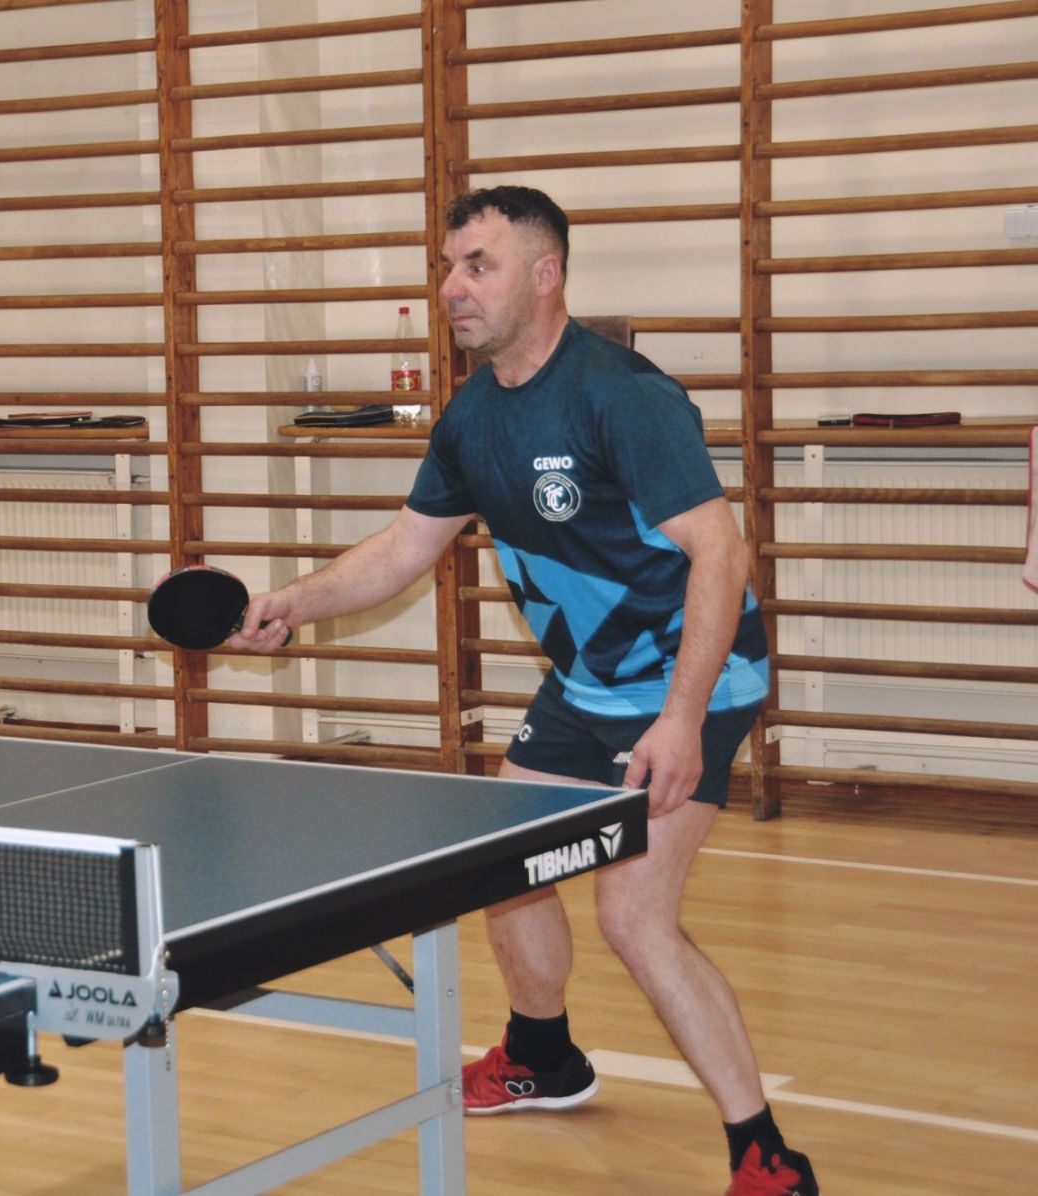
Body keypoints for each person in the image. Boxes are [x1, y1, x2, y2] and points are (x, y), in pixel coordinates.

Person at [227, 185, 819, 1196]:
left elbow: (722, 553)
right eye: (448, 267)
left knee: (634, 915)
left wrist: (682, 719)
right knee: (507, 865)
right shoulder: (472, 416)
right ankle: (543, 1054)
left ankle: (767, 1155)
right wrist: (291, 603)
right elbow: (405, 547)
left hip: (695, 673)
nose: (451, 288)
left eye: (478, 266)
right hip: (588, 684)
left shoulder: (621, 397)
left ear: (545, 275)